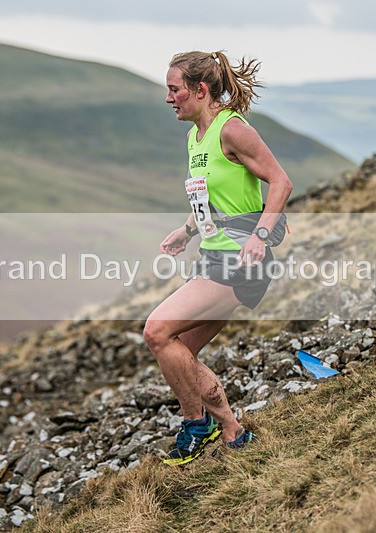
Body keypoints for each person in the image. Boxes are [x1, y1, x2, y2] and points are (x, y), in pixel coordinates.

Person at [143, 50, 293, 466]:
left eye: (174, 90)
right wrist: (187, 230)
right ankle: (232, 430)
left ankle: (196, 424)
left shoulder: (233, 130)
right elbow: (211, 201)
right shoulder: (195, 136)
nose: (169, 98)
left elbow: (281, 182)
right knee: (178, 353)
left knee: (157, 330)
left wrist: (261, 236)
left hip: (242, 262)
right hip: (213, 256)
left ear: (200, 90)